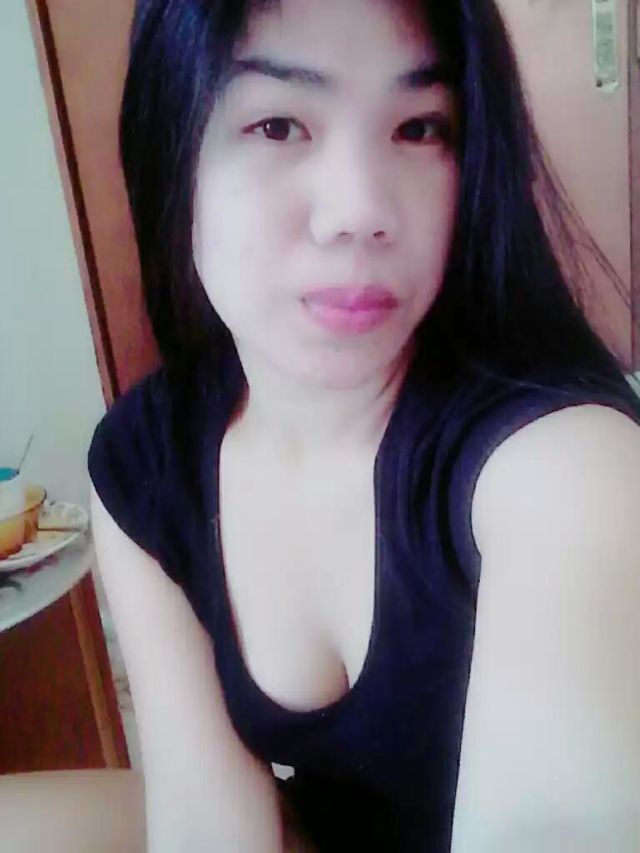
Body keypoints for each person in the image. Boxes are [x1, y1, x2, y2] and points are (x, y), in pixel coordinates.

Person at [3, 0, 640, 850]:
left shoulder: (568, 467)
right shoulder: (145, 465)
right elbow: (209, 823)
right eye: (277, 124)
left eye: (419, 128)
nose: (359, 209)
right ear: (173, 151)